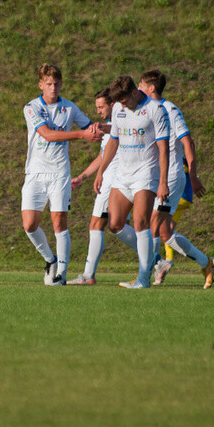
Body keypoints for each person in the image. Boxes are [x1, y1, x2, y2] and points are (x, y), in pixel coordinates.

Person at [22, 63, 101, 285]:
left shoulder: (69, 108)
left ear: (61, 84)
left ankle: (61, 275)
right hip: (35, 174)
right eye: (49, 84)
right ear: (41, 85)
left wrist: (115, 127)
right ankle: (50, 259)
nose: (53, 87)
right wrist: (81, 135)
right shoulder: (31, 108)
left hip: (59, 173)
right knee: (29, 225)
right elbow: (47, 134)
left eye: (56, 84)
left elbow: (91, 127)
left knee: (59, 222)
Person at [137, 70, 214, 289]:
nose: (138, 88)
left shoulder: (169, 109)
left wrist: (193, 176)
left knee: (151, 223)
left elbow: (188, 142)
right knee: (164, 232)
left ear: (152, 88)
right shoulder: (145, 111)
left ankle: (146, 275)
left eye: (141, 85)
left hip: (170, 176)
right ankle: (205, 262)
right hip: (154, 175)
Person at [93, 75, 169, 289]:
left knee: (140, 223)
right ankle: (155, 260)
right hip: (123, 174)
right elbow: (114, 141)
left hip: (146, 173)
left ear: (135, 92)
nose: (122, 106)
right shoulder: (118, 108)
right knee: (115, 224)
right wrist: (101, 172)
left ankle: (143, 279)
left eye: (125, 101)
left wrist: (163, 182)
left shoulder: (155, 109)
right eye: (119, 103)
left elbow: (164, 149)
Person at [68, 88, 140, 285]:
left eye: (101, 107)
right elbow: (102, 156)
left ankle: (88, 275)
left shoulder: (118, 124)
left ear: (112, 104)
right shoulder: (114, 125)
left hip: (111, 181)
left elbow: (109, 156)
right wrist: (83, 177)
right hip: (114, 180)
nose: (98, 111)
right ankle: (154, 260)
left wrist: (99, 176)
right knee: (117, 226)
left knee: (97, 224)